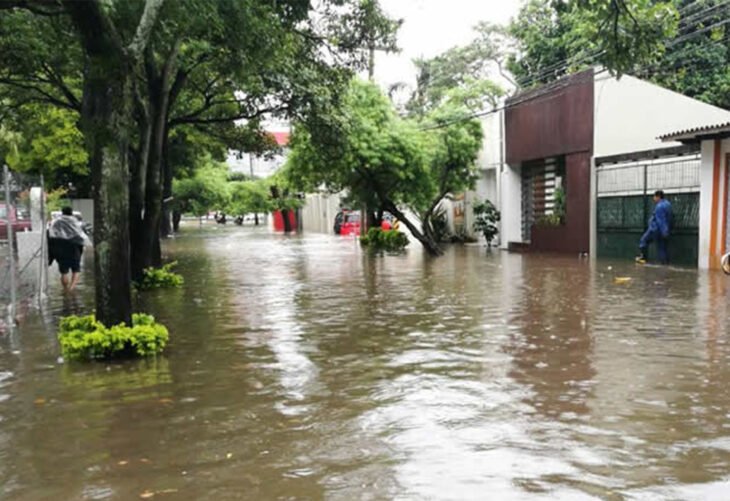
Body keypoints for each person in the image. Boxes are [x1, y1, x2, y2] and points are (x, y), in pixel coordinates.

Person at [48, 207, 91, 292]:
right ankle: (71, 289)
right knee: (76, 269)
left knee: (64, 271)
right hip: (73, 248)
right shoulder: (75, 222)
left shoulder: (56, 222)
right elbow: (81, 235)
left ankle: (65, 289)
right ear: (71, 213)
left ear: (62, 212)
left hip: (60, 248)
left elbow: (51, 234)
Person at [636, 190, 672, 265]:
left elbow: (660, 220)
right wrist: (666, 231)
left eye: (654, 197)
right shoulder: (668, 204)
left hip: (656, 229)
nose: (653, 198)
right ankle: (665, 264)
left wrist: (663, 231)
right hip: (664, 229)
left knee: (643, 240)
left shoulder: (659, 206)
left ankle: (643, 258)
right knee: (662, 248)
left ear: (658, 197)